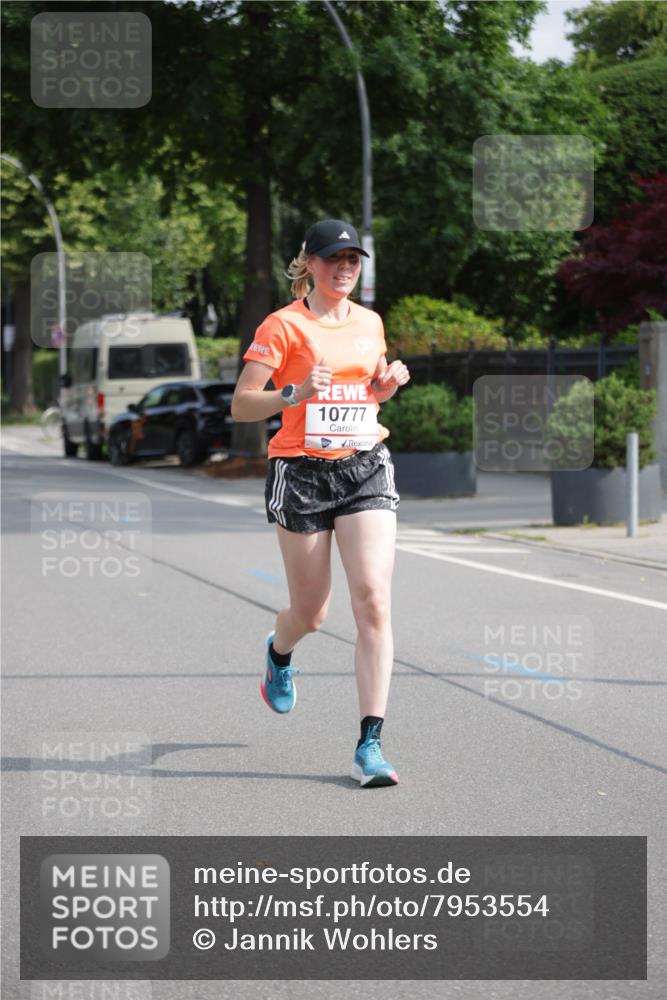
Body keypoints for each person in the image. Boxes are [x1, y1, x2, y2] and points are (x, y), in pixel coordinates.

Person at [231, 219, 410, 788]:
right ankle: (280, 652)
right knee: (311, 614)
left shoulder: (370, 323)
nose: (345, 268)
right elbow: (242, 405)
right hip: (301, 472)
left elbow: (366, 394)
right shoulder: (282, 326)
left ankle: (370, 745)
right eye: (334, 258)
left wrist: (383, 389)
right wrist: (295, 393)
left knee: (374, 600)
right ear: (309, 263)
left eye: (353, 259)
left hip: (364, 465)